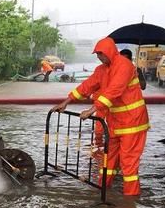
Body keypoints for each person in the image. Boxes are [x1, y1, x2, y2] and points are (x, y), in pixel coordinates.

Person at [52, 37, 149, 196]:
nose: (99, 57)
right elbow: (86, 86)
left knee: (128, 163)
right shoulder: (102, 69)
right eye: (97, 54)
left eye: (101, 53)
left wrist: (92, 110)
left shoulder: (124, 66)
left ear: (110, 52)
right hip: (114, 123)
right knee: (108, 159)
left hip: (133, 122)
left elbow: (114, 90)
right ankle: (103, 190)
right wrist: (66, 101)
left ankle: (130, 201)